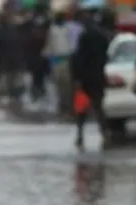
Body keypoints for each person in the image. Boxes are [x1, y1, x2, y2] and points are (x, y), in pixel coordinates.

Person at [70, 12, 110, 149]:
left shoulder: (84, 37)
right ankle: (104, 131)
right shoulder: (102, 37)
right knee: (98, 106)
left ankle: (80, 134)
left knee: (82, 108)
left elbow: (79, 58)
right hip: (98, 76)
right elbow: (106, 57)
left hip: (85, 78)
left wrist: (77, 77)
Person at [0, 10, 23, 104]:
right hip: (5, 63)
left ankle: (12, 102)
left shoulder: (16, 31)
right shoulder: (0, 31)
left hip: (14, 63)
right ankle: (6, 102)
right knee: (4, 85)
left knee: (14, 85)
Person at [43, 12, 74, 117]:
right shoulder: (52, 30)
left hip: (65, 58)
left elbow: (70, 43)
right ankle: (62, 104)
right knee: (59, 83)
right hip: (56, 59)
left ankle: (67, 103)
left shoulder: (67, 29)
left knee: (67, 83)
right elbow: (50, 45)